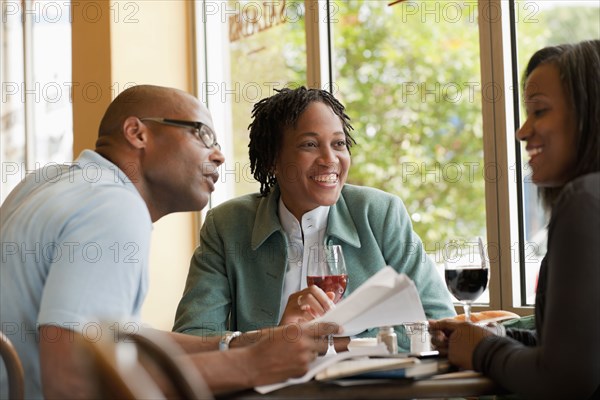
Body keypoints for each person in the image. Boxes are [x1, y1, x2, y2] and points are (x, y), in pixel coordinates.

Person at [0, 85, 338, 399]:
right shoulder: (113, 205)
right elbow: (73, 380)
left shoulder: (47, 183)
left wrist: (241, 343)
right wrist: (253, 365)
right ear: (137, 133)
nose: (219, 155)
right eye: (203, 135)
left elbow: (114, 335)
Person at [174, 86, 455, 350]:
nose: (329, 158)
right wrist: (275, 340)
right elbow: (194, 339)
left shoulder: (380, 214)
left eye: (339, 143)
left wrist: (332, 344)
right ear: (272, 160)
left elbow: (440, 325)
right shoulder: (227, 225)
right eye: (309, 144)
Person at [430, 40, 600, 399]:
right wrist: (495, 337)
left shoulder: (585, 199)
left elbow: (566, 380)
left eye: (539, 111)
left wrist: (481, 351)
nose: (522, 131)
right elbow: (578, 353)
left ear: (589, 113)